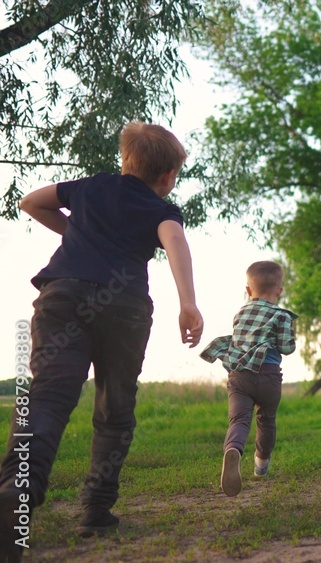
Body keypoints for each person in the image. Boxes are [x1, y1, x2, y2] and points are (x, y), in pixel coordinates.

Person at [0, 122, 203, 561]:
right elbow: (175, 245)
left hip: (63, 297)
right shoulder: (160, 207)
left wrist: (75, 233)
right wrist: (188, 304)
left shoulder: (90, 187)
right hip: (124, 309)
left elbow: (30, 201)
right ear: (168, 177)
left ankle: (14, 497)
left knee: (48, 398)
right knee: (114, 408)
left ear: (124, 160)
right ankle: (95, 509)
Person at [200, 261, 297, 497]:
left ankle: (233, 449)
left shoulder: (240, 313)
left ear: (249, 290)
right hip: (268, 376)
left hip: (239, 376)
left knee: (239, 420)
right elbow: (287, 348)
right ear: (279, 291)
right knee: (266, 419)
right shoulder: (281, 315)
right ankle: (261, 465)